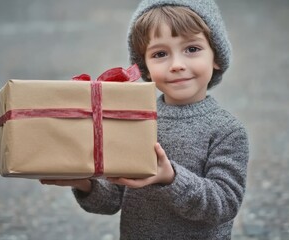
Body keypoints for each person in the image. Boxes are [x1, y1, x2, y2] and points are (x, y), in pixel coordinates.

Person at [40, 0, 249, 239]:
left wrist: (170, 178)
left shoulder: (228, 130)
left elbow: (223, 205)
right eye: (160, 54)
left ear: (216, 57)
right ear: (144, 68)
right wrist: (84, 183)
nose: (177, 65)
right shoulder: (134, 119)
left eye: (192, 49)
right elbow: (112, 200)